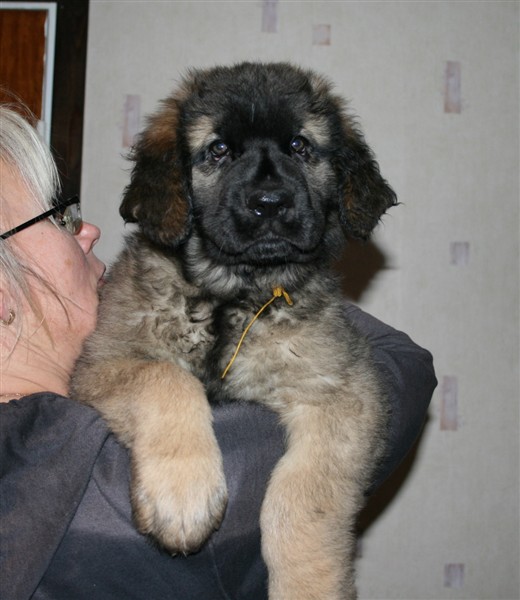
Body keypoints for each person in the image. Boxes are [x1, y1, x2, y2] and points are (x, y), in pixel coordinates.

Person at [0, 106, 437, 600]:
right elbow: (401, 363)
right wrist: (264, 260)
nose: (89, 230)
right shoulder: (109, 490)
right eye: (60, 218)